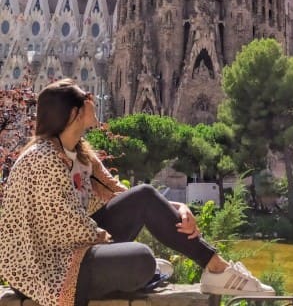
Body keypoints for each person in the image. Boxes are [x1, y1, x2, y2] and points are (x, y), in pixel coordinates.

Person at [0, 79, 275, 306]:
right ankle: (148, 269)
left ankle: (215, 266)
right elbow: (62, 222)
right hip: (47, 269)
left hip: (78, 247)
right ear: (73, 113)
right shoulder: (42, 158)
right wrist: (112, 245)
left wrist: (176, 208)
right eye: (86, 98)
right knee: (141, 257)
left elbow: (121, 194)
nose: (92, 100)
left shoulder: (81, 154)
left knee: (144, 195)